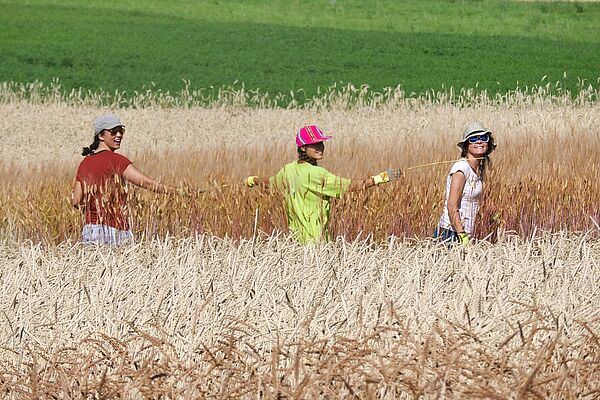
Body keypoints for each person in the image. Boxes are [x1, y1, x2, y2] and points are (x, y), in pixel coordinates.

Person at [244, 125, 402, 244]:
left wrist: (253, 180)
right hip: (317, 241)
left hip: (295, 241)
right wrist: (380, 178)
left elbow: (270, 182)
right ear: (303, 148)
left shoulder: (288, 170)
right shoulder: (317, 174)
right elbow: (350, 186)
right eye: (315, 145)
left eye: (321, 143)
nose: (320, 148)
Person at [71, 114, 182, 245]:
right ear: (100, 136)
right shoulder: (116, 160)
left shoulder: (85, 162)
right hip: (114, 231)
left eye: (121, 131)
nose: (118, 135)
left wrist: (95, 211)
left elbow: (75, 201)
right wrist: (181, 192)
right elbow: (146, 183)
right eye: (113, 132)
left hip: (90, 231)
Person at [435, 122, 497, 245]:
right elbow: (452, 205)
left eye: (483, 138)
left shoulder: (478, 170)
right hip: (451, 234)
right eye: (473, 139)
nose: (479, 142)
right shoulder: (461, 168)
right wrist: (462, 235)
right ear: (466, 145)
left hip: (467, 233)